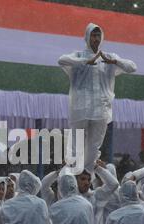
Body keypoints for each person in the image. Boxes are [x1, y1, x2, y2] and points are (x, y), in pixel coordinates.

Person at [58, 23, 137, 175]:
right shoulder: (79, 56)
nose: (96, 38)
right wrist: (85, 62)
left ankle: (86, 177)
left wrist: (115, 62)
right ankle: (72, 176)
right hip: (80, 109)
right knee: (76, 144)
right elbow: (61, 60)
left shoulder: (108, 58)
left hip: (101, 110)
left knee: (94, 146)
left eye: (98, 35)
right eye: (93, 35)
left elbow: (132, 67)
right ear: (87, 37)